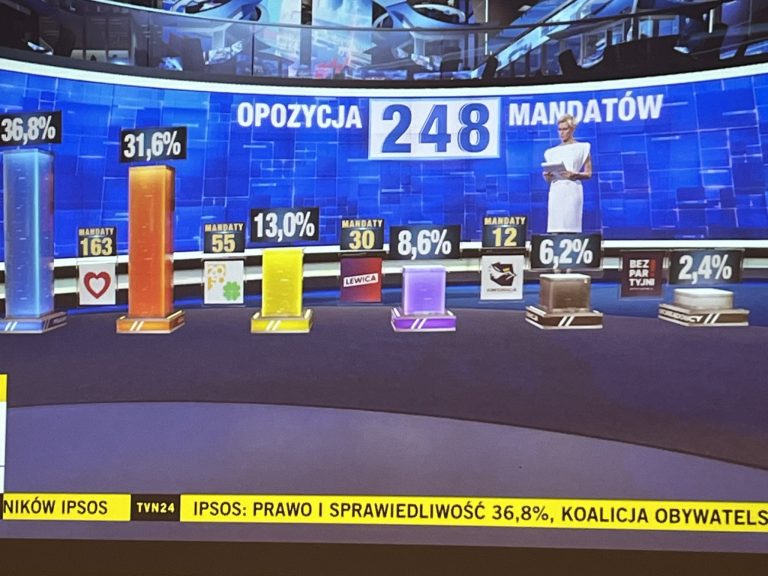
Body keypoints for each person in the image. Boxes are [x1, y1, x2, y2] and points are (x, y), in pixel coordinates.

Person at [542, 114, 592, 233]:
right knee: (555, 227)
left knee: (571, 226)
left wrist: (575, 175)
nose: (562, 133)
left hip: (572, 190)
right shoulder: (551, 152)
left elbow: (589, 173)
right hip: (556, 192)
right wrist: (547, 177)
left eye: (565, 129)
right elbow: (549, 178)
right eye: (560, 129)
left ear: (572, 129)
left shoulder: (582, 148)